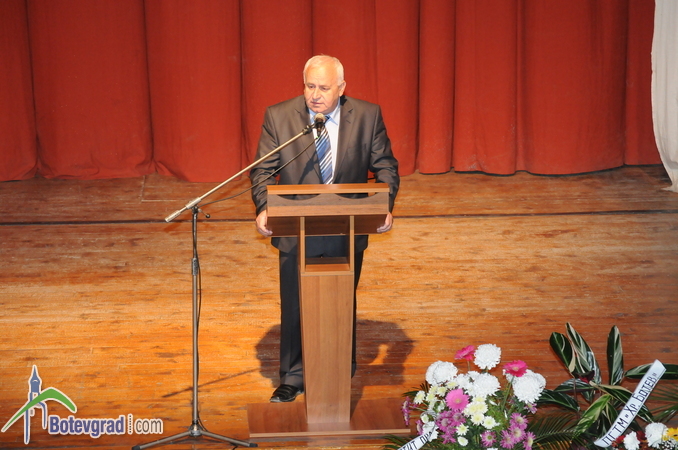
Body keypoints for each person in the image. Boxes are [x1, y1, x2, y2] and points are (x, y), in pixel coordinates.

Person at [249, 55, 399, 403]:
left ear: (341, 88)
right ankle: (293, 376)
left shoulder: (367, 116)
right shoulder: (279, 116)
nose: (315, 95)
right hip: (295, 226)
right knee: (295, 305)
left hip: (348, 226)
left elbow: (385, 167)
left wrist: (384, 205)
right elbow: (262, 170)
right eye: (310, 86)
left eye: (324, 88)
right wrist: (264, 207)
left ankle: (339, 368)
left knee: (341, 302)